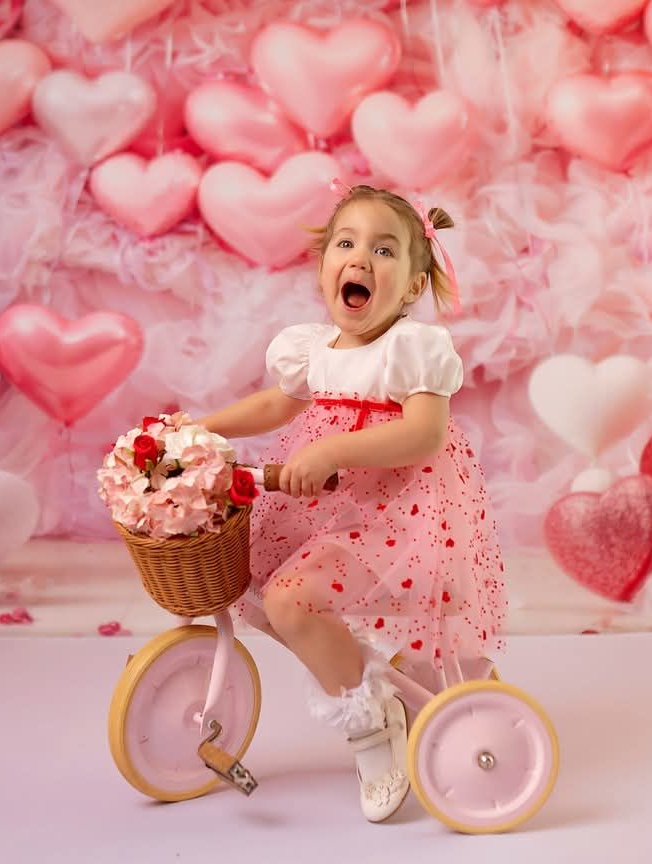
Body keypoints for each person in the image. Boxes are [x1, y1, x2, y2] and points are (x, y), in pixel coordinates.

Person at [199, 183, 505, 822]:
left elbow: (424, 434)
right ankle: (371, 678)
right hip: (326, 508)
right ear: (324, 270)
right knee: (252, 581)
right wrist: (203, 428)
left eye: (384, 249)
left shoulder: (411, 348)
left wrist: (335, 450)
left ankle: (371, 726)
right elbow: (275, 404)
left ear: (413, 286)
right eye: (346, 243)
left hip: (400, 514)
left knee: (291, 599)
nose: (361, 257)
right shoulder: (312, 347)